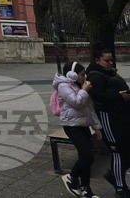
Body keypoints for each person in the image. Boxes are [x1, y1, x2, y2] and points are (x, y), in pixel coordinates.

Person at [54, 61, 103, 197]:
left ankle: (86, 188)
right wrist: (84, 90)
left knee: (85, 157)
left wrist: (97, 128)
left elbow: (89, 109)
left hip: (83, 125)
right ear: (72, 75)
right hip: (71, 125)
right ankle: (71, 177)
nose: (84, 77)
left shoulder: (79, 86)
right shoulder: (63, 86)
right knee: (88, 156)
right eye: (82, 74)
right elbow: (76, 102)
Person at [87, 45, 130, 198]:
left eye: (112, 60)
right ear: (97, 60)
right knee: (117, 151)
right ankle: (120, 188)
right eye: (107, 61)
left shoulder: (110, 73)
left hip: (122, 117)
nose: (111, 63)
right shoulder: (95, 76)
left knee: (126, 151)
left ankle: (114, 174)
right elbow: (98, 97)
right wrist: (120, 97)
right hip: (109, 118)